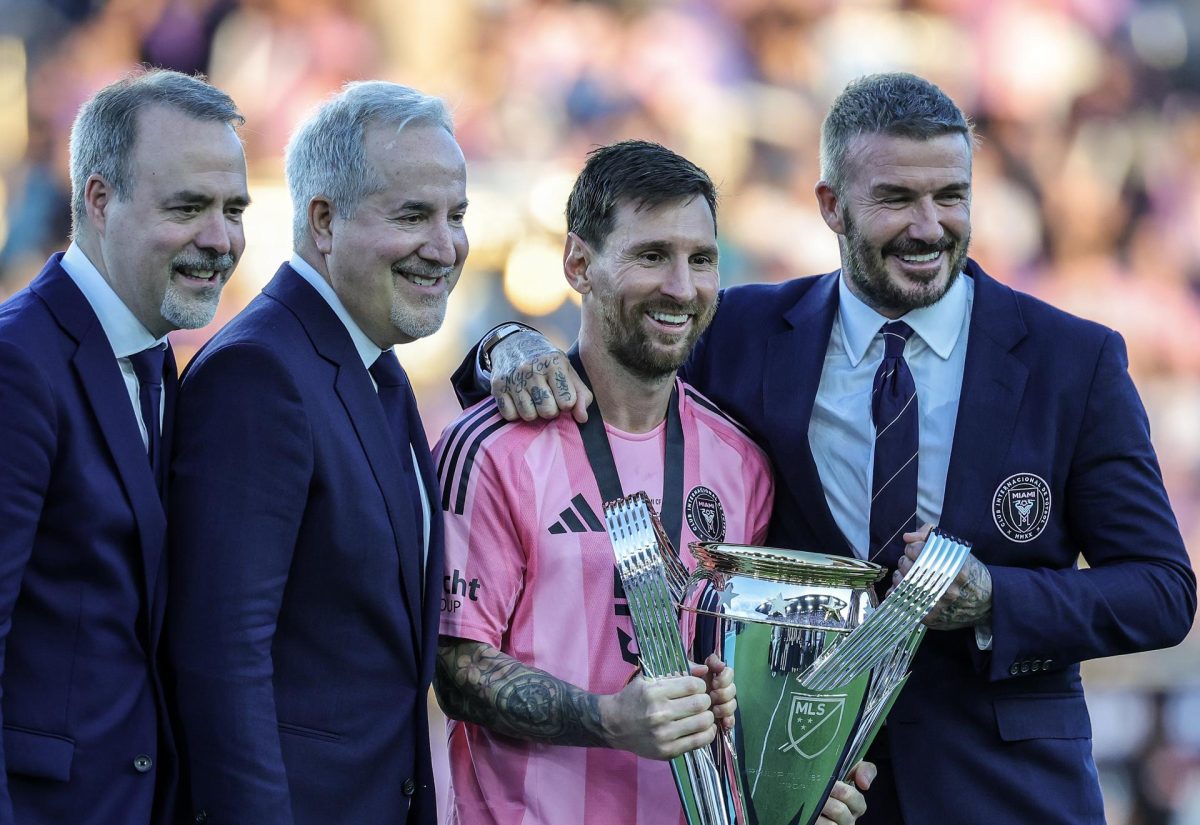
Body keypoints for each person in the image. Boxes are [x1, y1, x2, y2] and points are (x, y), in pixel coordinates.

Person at [456, 73, 1197, 824]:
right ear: (831, 206)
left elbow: (1163, 591)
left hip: (1005, 791)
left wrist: (994, 599)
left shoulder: (1072, 361)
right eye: (896, 199)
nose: (929, 225)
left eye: (950, 195)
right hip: (803, 789)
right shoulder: (742, 334)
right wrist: (504, 345)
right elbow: (630, 343)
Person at [435, 139, 871, 825]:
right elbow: (456, 666)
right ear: (579, 263)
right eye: (650, 255)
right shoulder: (490, 448)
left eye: (700, 259)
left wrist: (797, 784)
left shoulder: (743, 462)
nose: (681, 285)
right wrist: (608, 719)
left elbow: (742, 684)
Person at [167, 81, 463, 825]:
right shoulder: (259, 374)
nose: (445, 245)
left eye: (456, 215)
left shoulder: (375, 365)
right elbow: (221, 664)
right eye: (413, 215)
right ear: (323, 221)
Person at [0, 69, 247, 825]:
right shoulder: (18, 365)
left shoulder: (156, 361)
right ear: (99, 201)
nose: (221, 237)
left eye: (234, 208)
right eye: (188, 206)